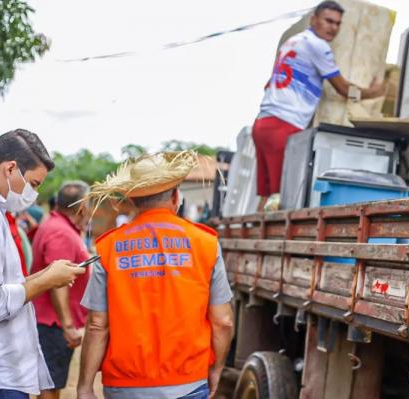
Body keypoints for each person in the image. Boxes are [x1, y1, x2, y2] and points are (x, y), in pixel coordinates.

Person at [76, 151, 234, 399]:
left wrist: (84, 387)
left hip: (125, 386)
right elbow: (223, 321)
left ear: (135, 200)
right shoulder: (206, 243)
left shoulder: (108, 247)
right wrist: (217, 368)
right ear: (175, 196)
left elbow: (97, 325)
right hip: (188, 382)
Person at [0, 129, 86, 399]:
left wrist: (47, 274)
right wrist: (46, 280)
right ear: (10, 169)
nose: (33, 193)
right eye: (33, 184)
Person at [253, 0, 386, 210]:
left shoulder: (292, 41)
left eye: (337, 23)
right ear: (313, 19)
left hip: (263, 123)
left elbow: (267, 84)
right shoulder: (318, 46)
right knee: (280, 200)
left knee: (268, 195)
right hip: (283, 125)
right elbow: (343, 89)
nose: (333, 28)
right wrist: (374, 92)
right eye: (328, 21)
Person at [31, 181, 92, 399]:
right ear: (82, 206)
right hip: (53, 324)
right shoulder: (61, 233)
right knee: (49, 385)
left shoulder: (59, 226)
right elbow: (57, 282)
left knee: (51, 382)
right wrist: (67, 325)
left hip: (52, 323)